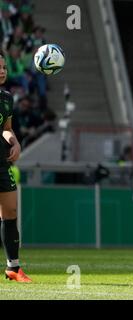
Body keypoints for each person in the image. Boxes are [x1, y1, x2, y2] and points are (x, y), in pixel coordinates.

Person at [0, 53, 32, 282]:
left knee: (10, 211)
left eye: (4, 67)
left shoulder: (6, 97)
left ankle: (13, 267)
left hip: (1, 161)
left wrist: (15, 141)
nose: (2, 71)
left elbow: (6, 126)